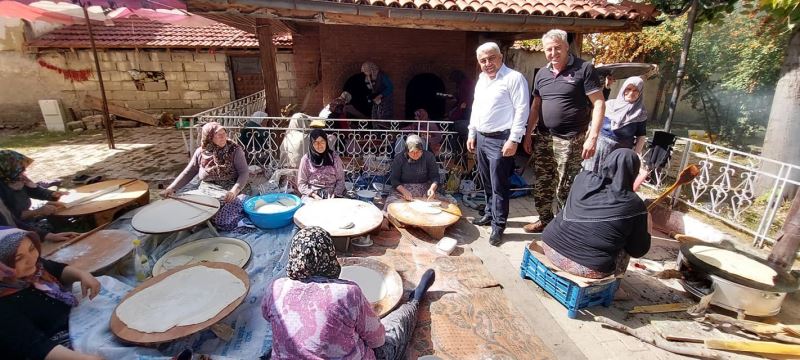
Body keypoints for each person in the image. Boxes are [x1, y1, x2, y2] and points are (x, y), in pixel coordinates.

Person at [262, 226, 436, 360]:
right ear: (330, 255)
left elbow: (267, 316)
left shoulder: (274, 288)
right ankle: (415, 300)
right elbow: (378, 340)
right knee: (394, 329)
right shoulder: (347, 293)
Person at [522, 29, 605, 234]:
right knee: (542, 184)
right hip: (543, 138)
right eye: (548, 49)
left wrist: (592, 137)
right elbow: (535, 106)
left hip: (571, 140)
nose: (553, 53)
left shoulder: (584, 69)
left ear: (566, 47)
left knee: (564, 187)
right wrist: (528, 134)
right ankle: (544, 220)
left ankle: (563, 230)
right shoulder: (541, 74)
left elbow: (600, 104)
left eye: (557, 48)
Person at [541, 149, 651, 279]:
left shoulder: (583, 178)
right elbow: (638, 250)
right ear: (634, 173)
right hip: (588, 267)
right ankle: (615, 285)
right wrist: (648, 225)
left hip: (549, 245)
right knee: (626, 240)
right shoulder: (635, 205)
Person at [0, 228, 102, 360]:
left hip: (74, 324)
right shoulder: (4, 306)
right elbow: (35, 347)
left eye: (32, 248)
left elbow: (58, 270)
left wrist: (82, 275)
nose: (31, 259)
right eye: (18, 258)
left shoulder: (37, 269)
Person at [467, 42, 530, 246]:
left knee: (499, 185)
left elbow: (522, 109)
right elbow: (476, 107)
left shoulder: (513, 78)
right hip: (482, 137)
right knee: (486, 181)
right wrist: (472, 132)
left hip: (501, 139)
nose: (487, 63)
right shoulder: (482, 80)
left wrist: (514, 139)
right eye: (483, 60)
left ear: (500, 57)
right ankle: (488, 214)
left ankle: (499, 225)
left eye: (491, 58)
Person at [162, 122, 249, 231]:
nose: (223, 137)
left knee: (221, 211)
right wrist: (172, 188)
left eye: (224, 133)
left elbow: (244, 173)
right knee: (186, 204)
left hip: (228, 189)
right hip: (207, 189)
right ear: (209, 137)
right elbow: (188, 172)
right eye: (218, 134)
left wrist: (234, 191)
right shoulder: (200, 152)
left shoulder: (235, 150)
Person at [0, 150, 79, 243]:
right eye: (20, 167)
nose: (24, 170)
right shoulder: (2, 189)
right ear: (8, 168)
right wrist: (38, 211)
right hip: (17, 228)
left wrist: (52, 194)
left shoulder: (15, 177)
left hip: (25, 221)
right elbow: (13, 218)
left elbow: (35, 190)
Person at [583, 76, 648, 173]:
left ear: (640, 92)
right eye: (628, 89)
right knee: (590, 177)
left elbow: (641, 136)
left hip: (619, 156)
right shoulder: (609, 105)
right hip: (598, 150)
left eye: (636, 90)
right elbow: (593, 125)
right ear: (623, 89)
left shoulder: (640, 113)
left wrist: (636, 156)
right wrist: (587, 141)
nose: (631, 93)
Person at [387, 135, 440, 205]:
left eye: (418, 151)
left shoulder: (429, 157)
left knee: (440, 204)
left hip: (424, 189)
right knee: (392, 204)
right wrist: (404, 191)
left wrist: (432, 189)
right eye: (412, 152)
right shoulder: (399, 158)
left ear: (422, 150)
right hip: (403, 189)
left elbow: (435, 176)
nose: (415, 154)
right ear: (407, 151)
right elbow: (394, 180)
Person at [297, 129, 346, 201]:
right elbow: (301, 183)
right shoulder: (306, 159)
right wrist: (313, 195)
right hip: (313, 195)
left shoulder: (334, 157)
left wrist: (334, 195)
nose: (319, 145)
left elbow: (341, 180)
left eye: (322, 142)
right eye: (316, 142)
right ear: (311, 144)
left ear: (326, 142)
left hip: (332, 194)